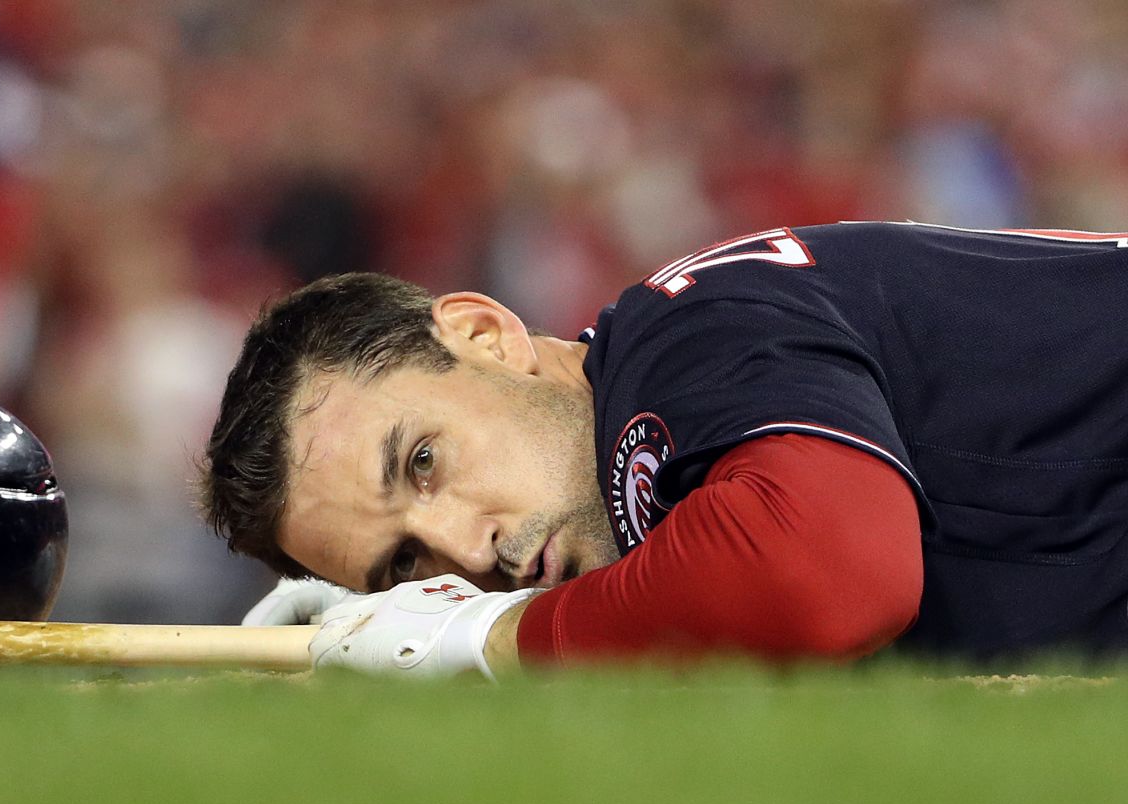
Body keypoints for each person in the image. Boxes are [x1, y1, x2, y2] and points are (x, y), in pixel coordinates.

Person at [200, 221, 1128, 677]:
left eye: (423, 462)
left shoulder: (687, 329)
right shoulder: (655, 536)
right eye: (404, 562)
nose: (470, 552)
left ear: (487, 336)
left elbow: (827, 575)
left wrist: (489, 639)